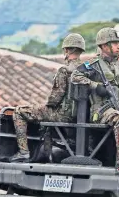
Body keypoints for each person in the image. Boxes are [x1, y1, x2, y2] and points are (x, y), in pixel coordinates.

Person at [10, 33, 85, 162]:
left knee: (19, 111)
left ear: (67, 50)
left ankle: (23, 152)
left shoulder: (65, 70)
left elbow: (55, 99)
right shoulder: (86, 69)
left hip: (63, 115)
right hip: (80, 116)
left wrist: (47, 105)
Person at [71, 27, 119, 127]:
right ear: (104, 46)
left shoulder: (117, 67)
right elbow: (75, 75)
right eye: (115, 43)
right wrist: (95, 85)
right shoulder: (93, 64)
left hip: (118, 110)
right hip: (100, 112)